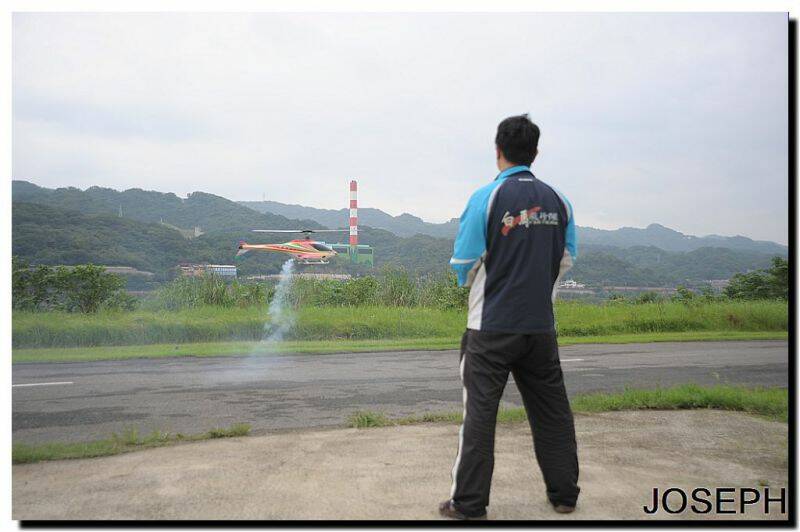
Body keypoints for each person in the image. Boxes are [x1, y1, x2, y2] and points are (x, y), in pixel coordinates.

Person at [439, 114, 580, 520]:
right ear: (535, 152)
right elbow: (566, 258)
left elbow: (463, 262)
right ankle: (564, 495)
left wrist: (482, 283)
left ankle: (469, 504)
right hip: (540, 327)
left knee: (480, 415)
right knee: (552, 412)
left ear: (498, 150)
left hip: (490, 328)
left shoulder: (486, 197)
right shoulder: (559, 200)